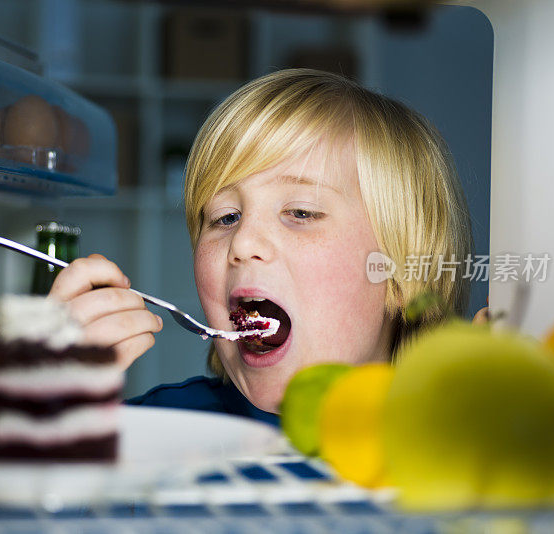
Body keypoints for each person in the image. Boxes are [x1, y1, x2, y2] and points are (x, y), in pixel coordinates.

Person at [49, 69, 473, 426]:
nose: (243, 242)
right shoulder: (154, 431)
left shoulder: (472, 441)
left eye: (301, 212)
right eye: (224, 218)